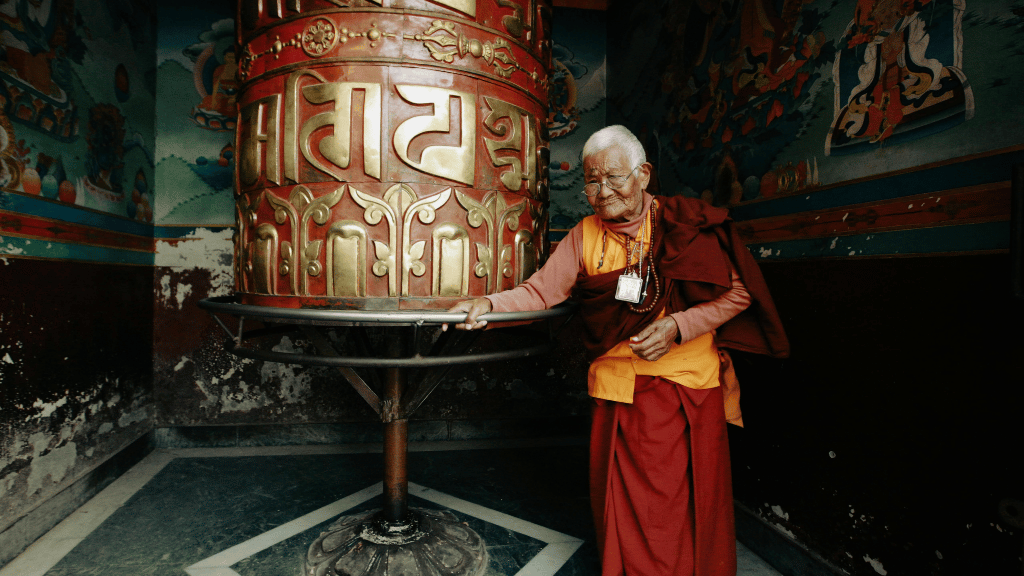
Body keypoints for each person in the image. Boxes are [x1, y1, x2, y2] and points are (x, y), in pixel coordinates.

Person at [447, 125, 789, 576]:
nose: (602, 191)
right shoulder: (585, 235)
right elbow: (539, 293)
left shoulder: (684, 223)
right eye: (591, 180)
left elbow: (739, 294)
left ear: (644, 174)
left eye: (614, 177)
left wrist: (678, 325)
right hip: (620, 388)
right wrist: (487, 304)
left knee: (686, 504)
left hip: (688, 386)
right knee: (629, 506)